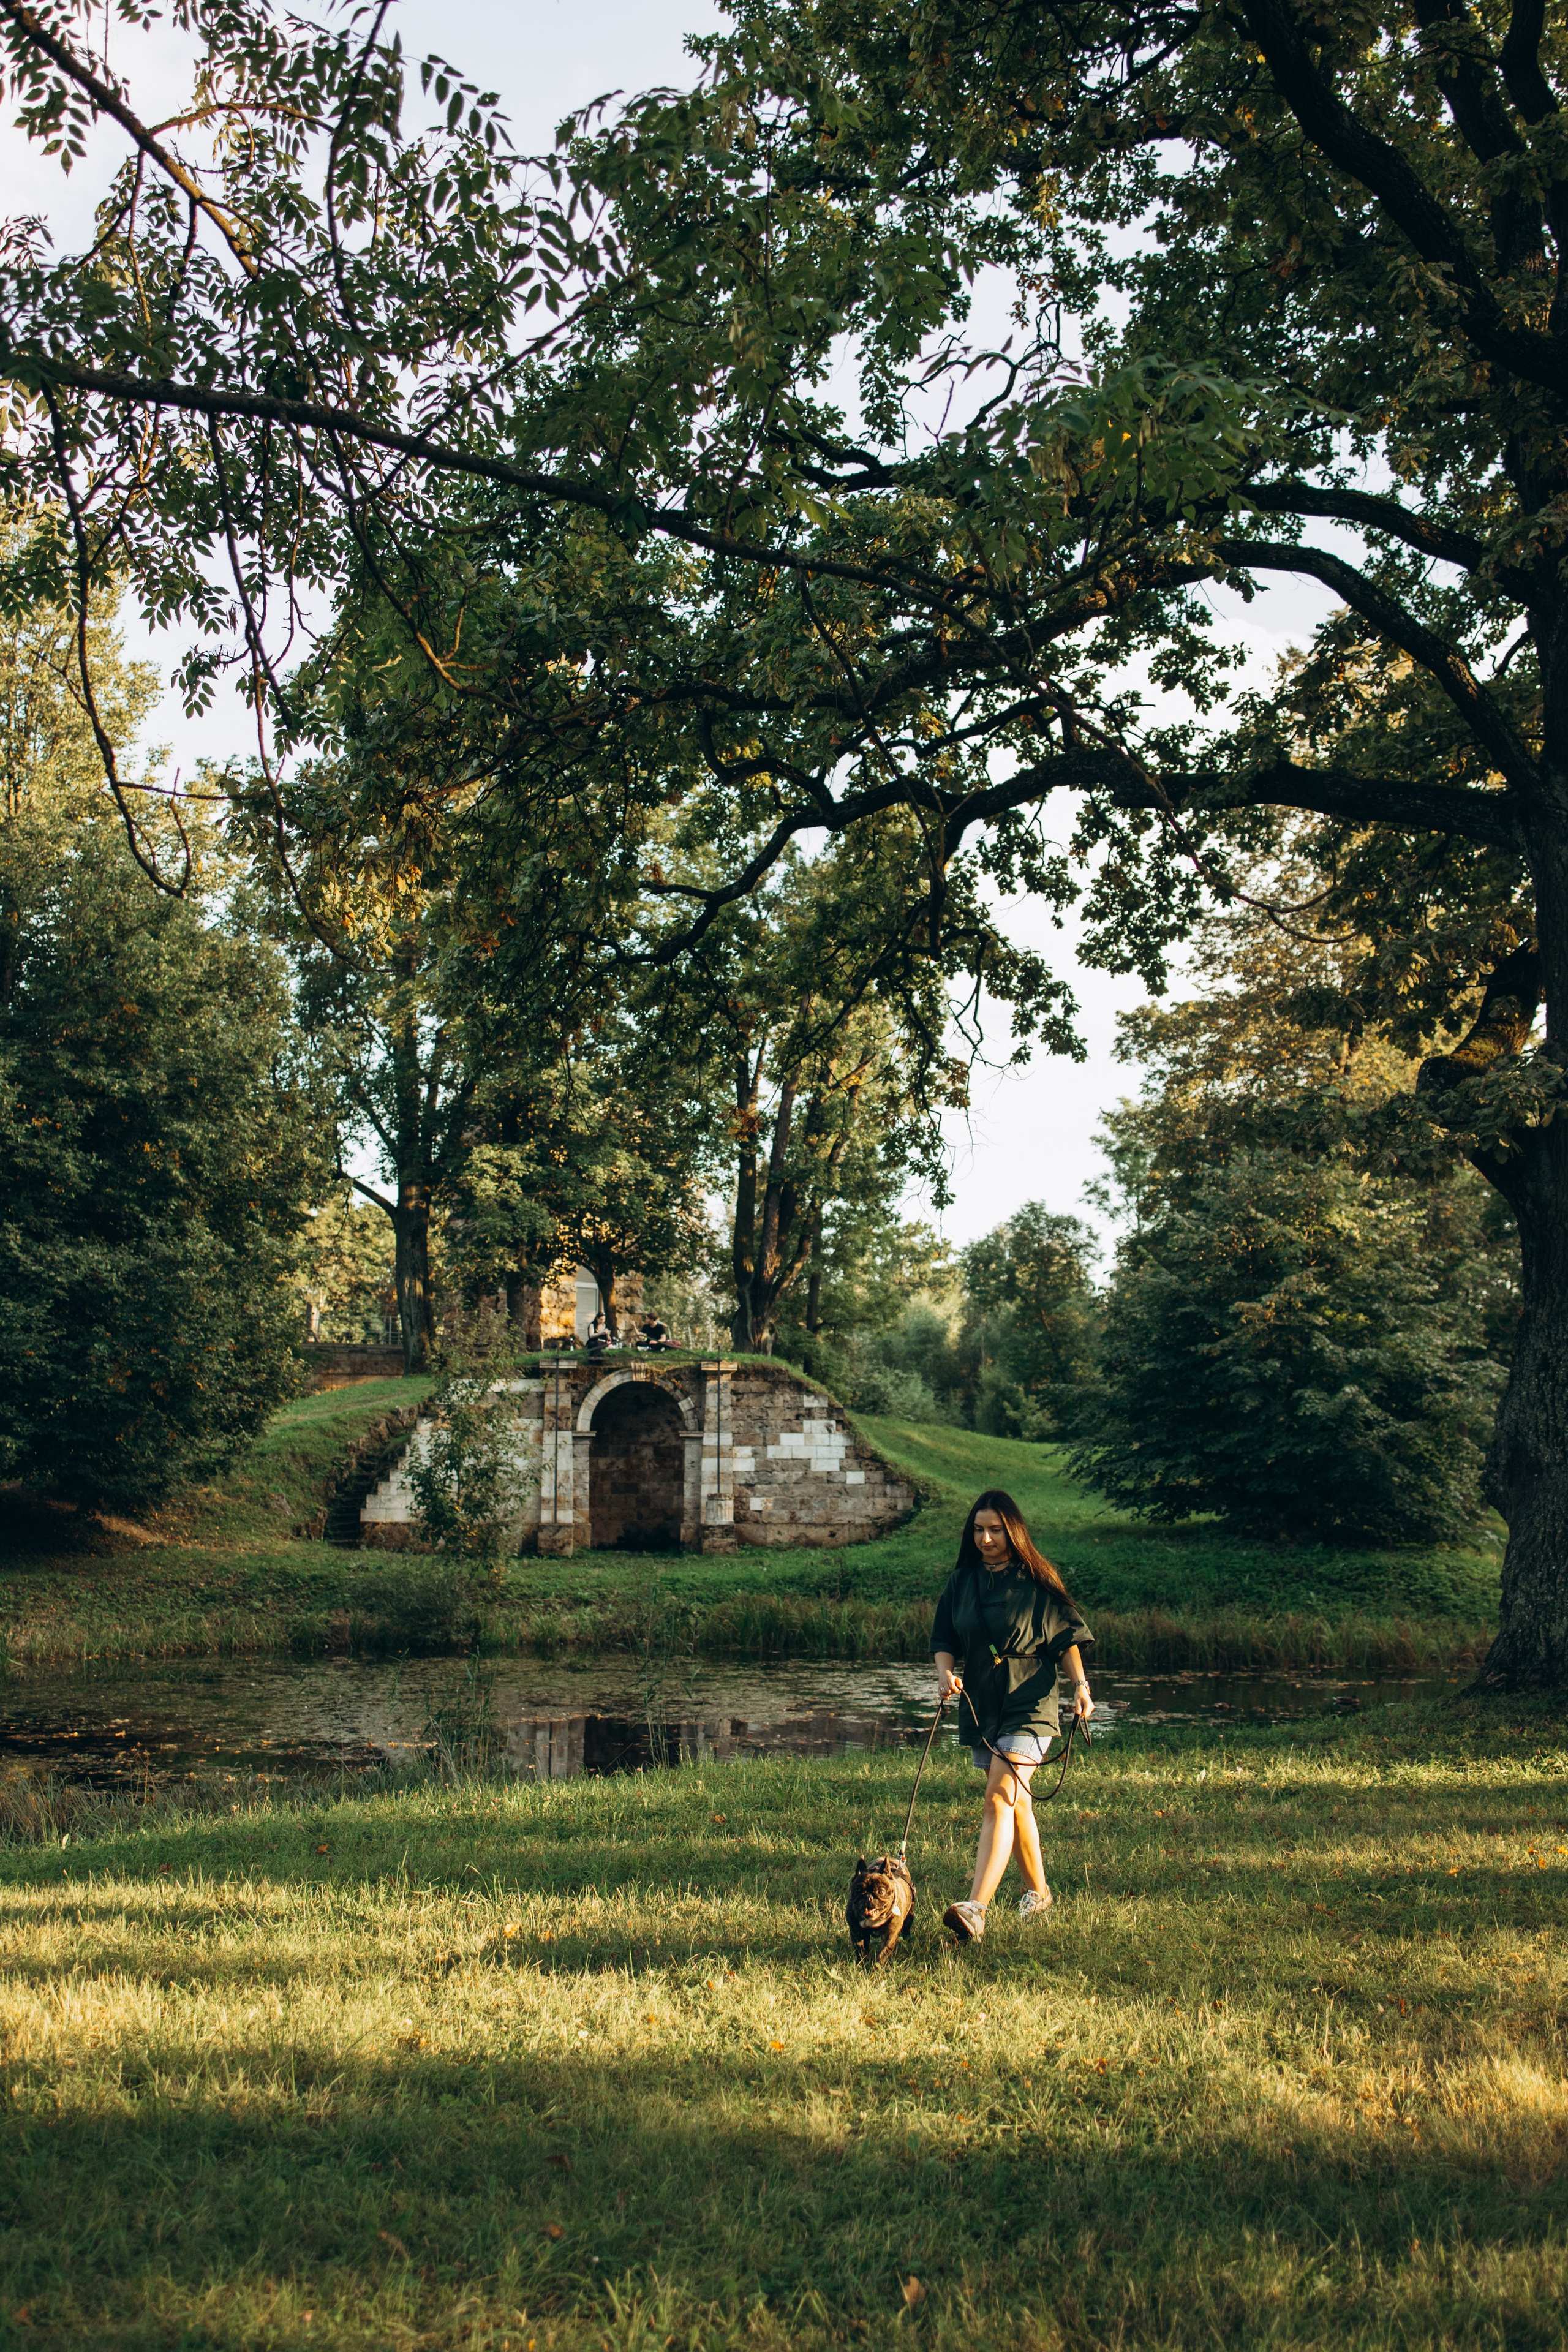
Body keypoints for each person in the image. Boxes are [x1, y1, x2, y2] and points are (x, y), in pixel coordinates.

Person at [931, 1488, 1095, 1943]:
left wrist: (1080, 1686)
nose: (986, 1538)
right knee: (1018, 1802)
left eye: (995, 1530)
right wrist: (946, 1674)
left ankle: (976, 1908)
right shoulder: (961, 1581)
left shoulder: (1037, 1580)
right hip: (983, 1699)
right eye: (979, 1530)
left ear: (1012, 1530)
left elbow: (1066, 1641)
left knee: (1000, 1794)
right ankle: (1039, 1893)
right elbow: (944, 1636)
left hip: (1031, 1698)